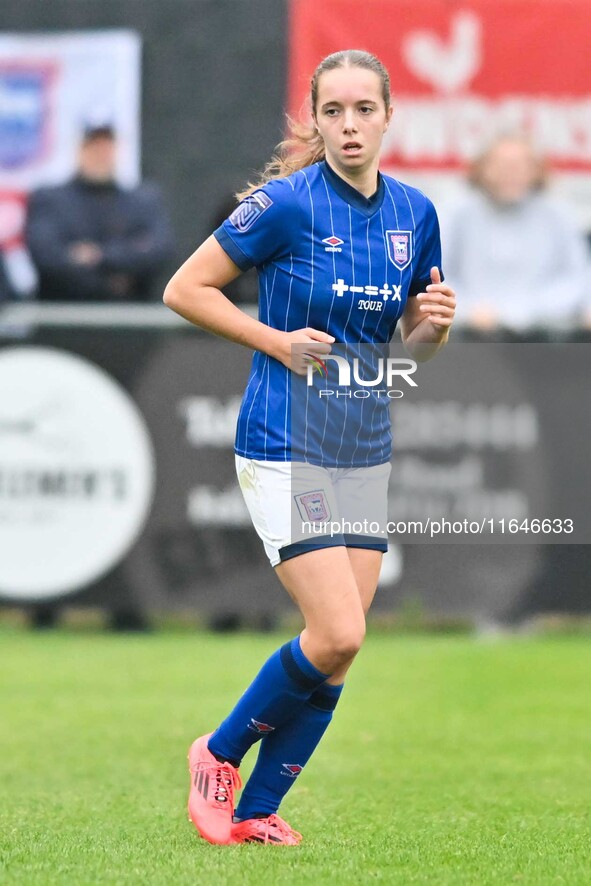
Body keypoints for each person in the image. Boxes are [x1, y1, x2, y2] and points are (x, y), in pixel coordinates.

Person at [164, 49, 456, 846]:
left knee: (339, 652)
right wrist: (275, 340)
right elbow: (184, 289)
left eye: (364, 109)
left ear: (388, 116)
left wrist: (429, 329)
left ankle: (256, 810)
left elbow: (406, 351)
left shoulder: (415, 215)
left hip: (363, 442)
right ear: (316, 119)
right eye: (334, 111)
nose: (350, 125)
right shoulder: (284, 205)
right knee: (338, 632)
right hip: (284, 439)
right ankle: (216, 756)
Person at [441, 134, 588, 336]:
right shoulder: (454, 214)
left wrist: (527, 311)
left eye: (519, 165)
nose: (509, 173)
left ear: (537, 171)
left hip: (544, 336)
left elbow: (577, 279)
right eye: (501, 165)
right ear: (481, 168)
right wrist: (466, 309)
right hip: (467, 335)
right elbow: (435, 277)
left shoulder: (558, 216)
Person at [25, 122, 174, 302]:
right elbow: (47, 256)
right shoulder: (50, 199)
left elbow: (159, 251)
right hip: (65, 317)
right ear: (79, 150)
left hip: (130, 320)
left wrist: (98, 256)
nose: (101, 155)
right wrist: (114, 277)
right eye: (93, 146)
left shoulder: (142, 200)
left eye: (106, 147)